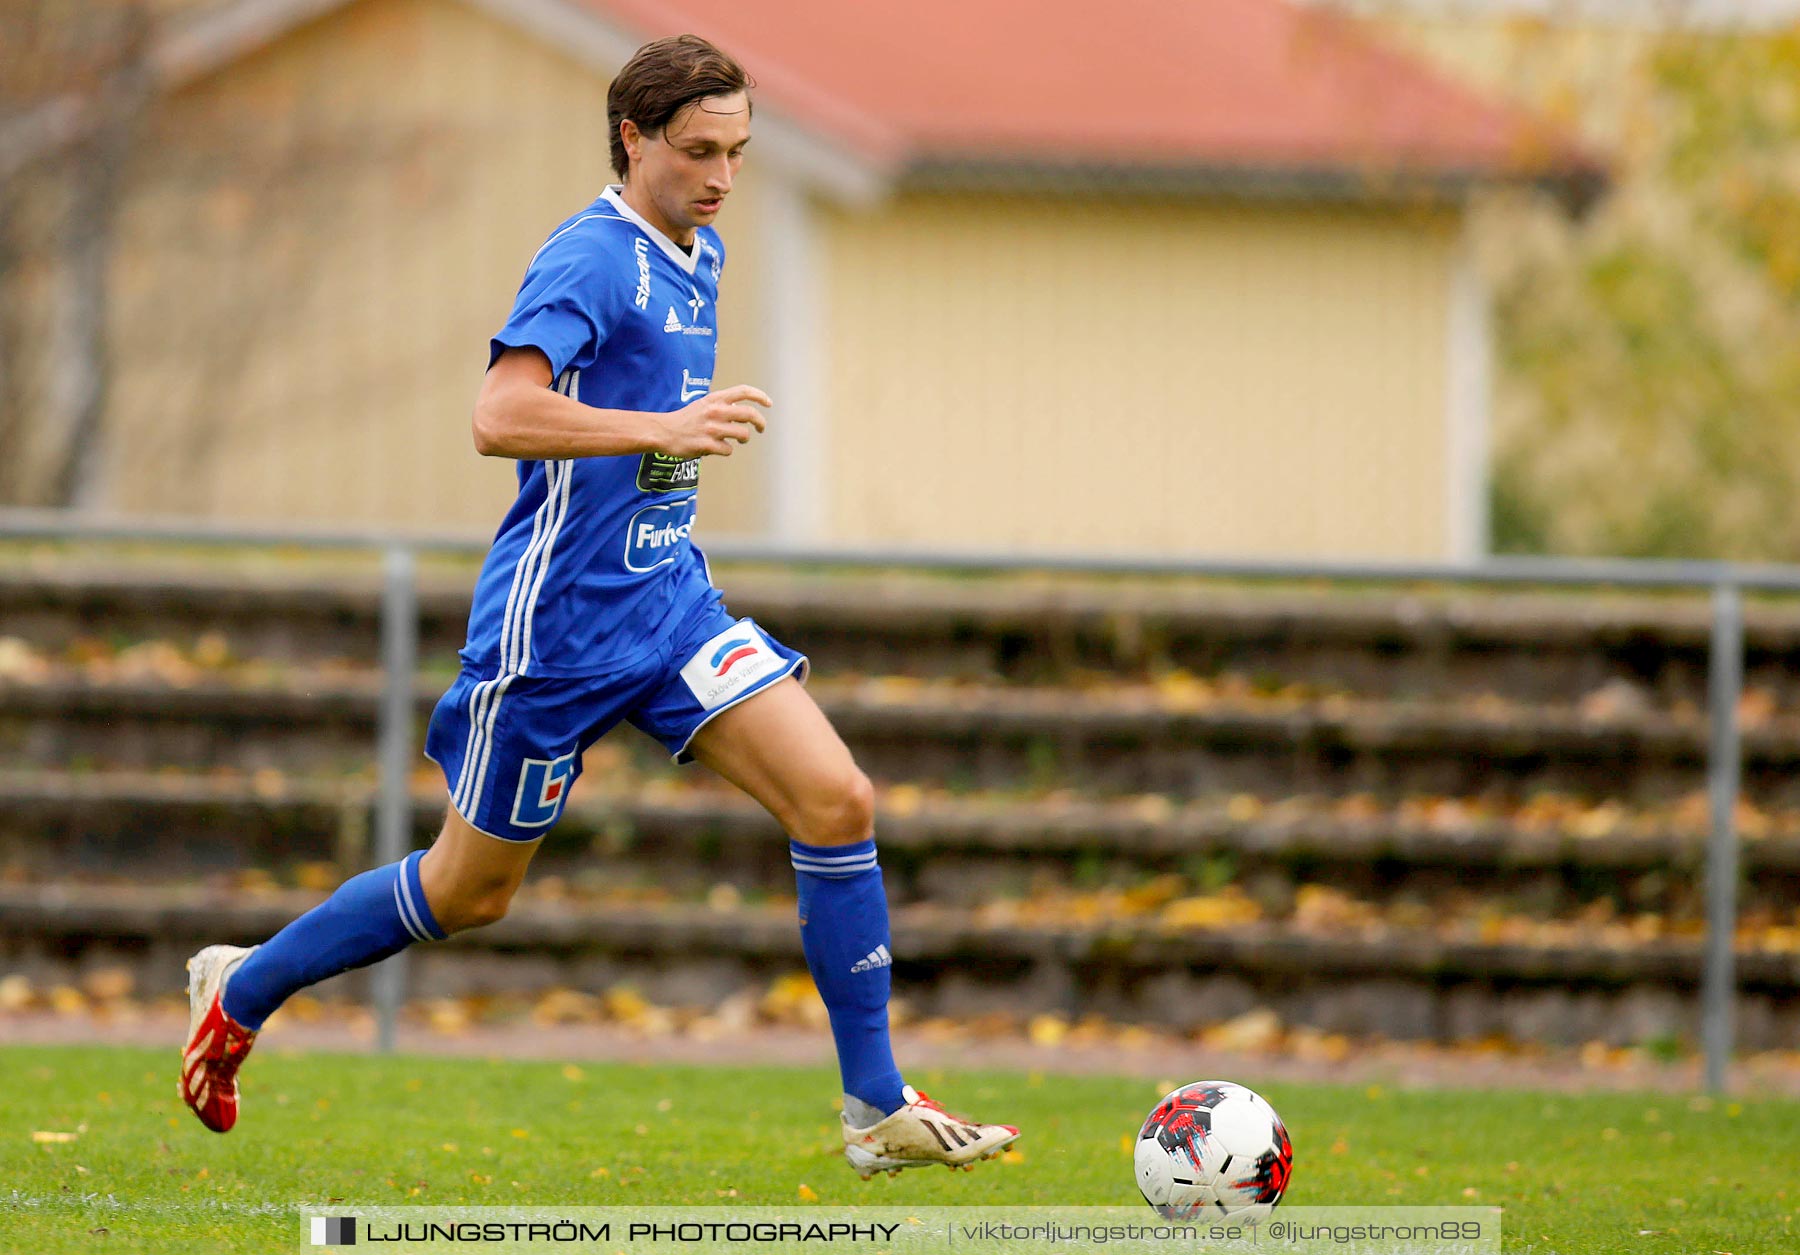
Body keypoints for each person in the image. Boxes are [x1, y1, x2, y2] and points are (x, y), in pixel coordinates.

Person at [179, 33, 1017, 1179]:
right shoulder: (588, 257)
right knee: (467, 892)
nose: (722, 176)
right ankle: (246, 983)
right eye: (697, 150)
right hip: (557, 632)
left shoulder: (699, 250)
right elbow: (499, 413)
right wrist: (659, 430)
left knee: (836, 798)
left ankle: (874, 1108)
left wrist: (663, 464)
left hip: (670, 608)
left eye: (738, 152)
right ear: (632, 138)